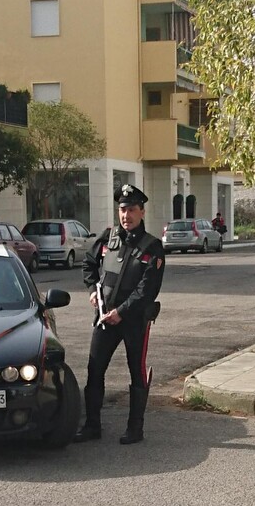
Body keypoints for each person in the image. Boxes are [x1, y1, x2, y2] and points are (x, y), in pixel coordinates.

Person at [76, 184, 165, 445]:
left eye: (131, 210)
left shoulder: (152, 247)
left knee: (135, 372)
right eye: (122, 210)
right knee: (94, 370)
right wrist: (93, 290)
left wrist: (121, 313)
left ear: (142, 212)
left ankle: (135, 429)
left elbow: (147, 290)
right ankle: (92, 426)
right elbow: (88, 264)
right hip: (105, 320)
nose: (126, 215)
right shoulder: (107, 238)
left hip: (134, 320)